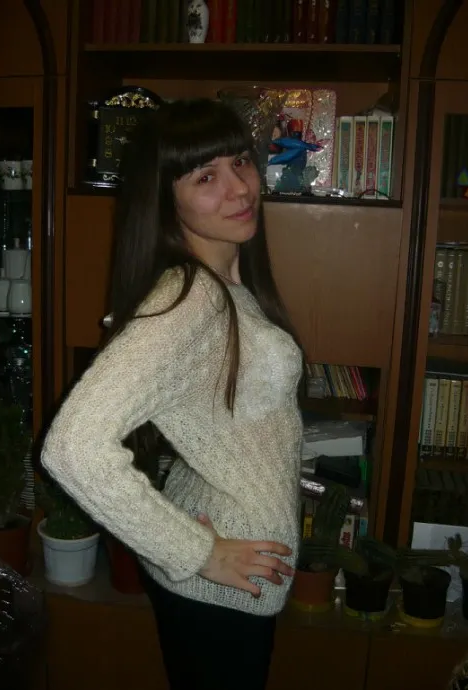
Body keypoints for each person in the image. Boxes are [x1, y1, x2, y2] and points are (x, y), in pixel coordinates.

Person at [41, 98, 304, 690]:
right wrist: (199, 551)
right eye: (205, 177)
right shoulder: (190, 300)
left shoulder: (228, 287)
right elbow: (73, 447)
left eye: (240, 162)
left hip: (227, 580)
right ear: (166, 199)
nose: (239, 188)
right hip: (219, 594)